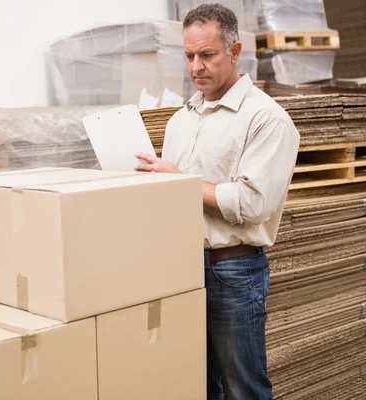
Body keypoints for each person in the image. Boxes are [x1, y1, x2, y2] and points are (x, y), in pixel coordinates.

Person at [135, 4, 300, 400]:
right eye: (189, 56)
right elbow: (173, 194)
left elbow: (252, 203)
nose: (196, 67)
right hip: (182, 270)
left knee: (244, 390)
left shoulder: (266, 119)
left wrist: (180, 182)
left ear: (235, 51)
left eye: (207, 55)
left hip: (234, 273)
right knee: (197, 385)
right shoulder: (181, 120)